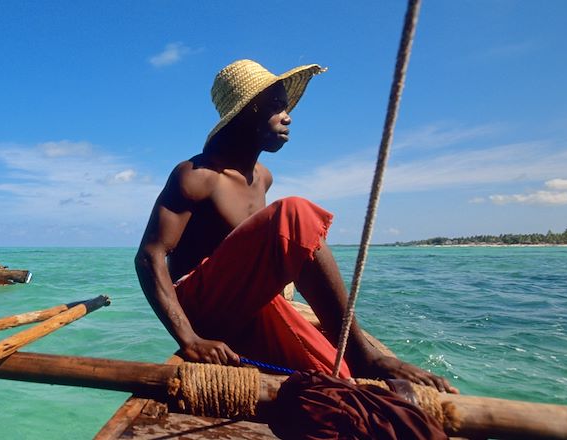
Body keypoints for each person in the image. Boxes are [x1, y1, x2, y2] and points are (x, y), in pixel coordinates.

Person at [134, 59, 455, 392]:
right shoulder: (198, 175)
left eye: (285, 107)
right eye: (276, 107)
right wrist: (189, 338)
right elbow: (149, 257)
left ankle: (355, 356)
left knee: (336, 376)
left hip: (247, 306)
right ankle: (363, 356)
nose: (287, 116)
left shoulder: (263, 178)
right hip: (201, 309)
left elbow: (263, 259)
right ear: (247, 112)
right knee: (295, 212)